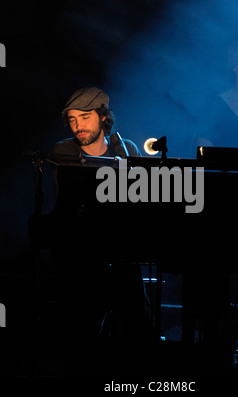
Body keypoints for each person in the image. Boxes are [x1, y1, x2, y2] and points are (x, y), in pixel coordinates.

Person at [47, 87, 154, 374]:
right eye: (72, 120)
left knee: (138, 326)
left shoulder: (127, 149)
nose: (77, 125)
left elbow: (140, 202)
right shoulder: (63, 151)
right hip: (82, 255)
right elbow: (70, 205)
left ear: (103, 117)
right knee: (82, 332)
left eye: (84, 117)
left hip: (122, 254)